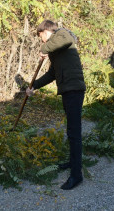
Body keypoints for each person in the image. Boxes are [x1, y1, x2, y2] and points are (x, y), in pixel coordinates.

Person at [26, 20, 86, 190]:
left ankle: (77, 175)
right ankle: (72, 162)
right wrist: (34, 86)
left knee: (74, 133)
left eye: (42, 36)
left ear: (47, 31)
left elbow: (66, 39)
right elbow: (52, 73)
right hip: (68, 90)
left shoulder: (62, 35)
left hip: (74, 89)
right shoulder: (56, 51)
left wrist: (44, 50)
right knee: (71, 131)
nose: (42, 41)